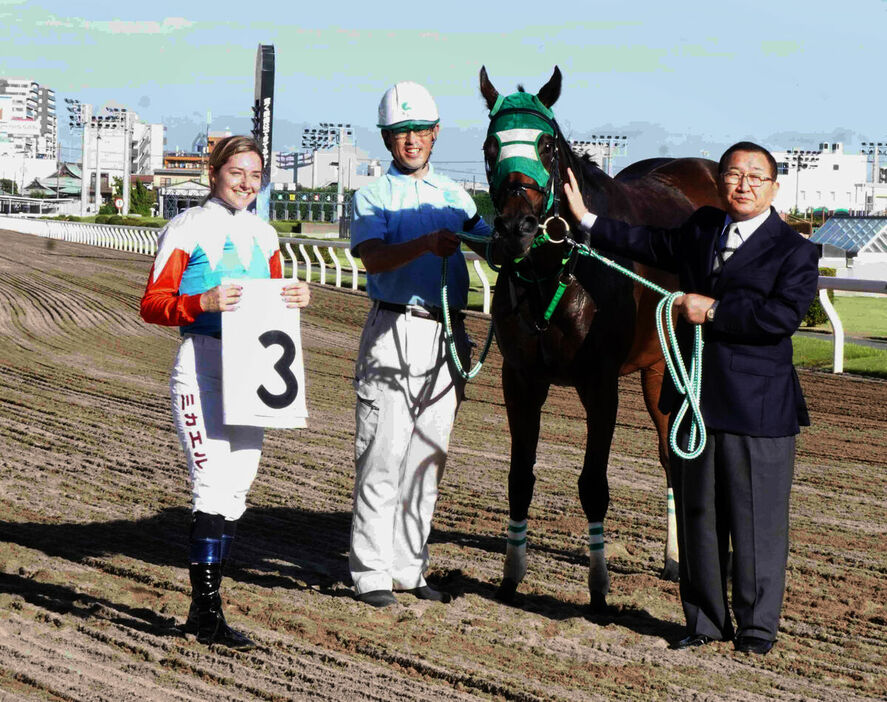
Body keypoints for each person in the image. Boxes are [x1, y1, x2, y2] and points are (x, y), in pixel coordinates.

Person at [563, 142, 819, 654]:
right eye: (733, 174)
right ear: (721, 180)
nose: (742, 184)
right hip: (695, 397)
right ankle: (703, 621)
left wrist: (713, 312)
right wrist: (587, 218)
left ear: (772, 187)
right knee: (699, 515)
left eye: (754, 176)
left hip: (758, 408)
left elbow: (780, 319)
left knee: (756, 523)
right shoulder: (702, 228)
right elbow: (646, 241)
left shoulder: (794, 250)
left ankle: (756, 629)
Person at [140, 135, 310, 649]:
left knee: (236, 491)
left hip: (254, 371)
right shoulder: (187, 226)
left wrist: (297, 297)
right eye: (237, 172)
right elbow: (153, 303)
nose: (246, 183)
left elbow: (275, 307)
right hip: (202, 368)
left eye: (255, 175)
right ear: (214, 172)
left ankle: (205, 611)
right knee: (211, 485)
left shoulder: (266, 234)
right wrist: (201, 302)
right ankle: (206, 610)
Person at [348, 81, 492, 607]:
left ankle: (411, 569)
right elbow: (374, 260)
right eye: (400, 133)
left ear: (435, 135)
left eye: (419, 132)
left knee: (428, 458)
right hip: (393, 329)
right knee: (382, 453)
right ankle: (370, 574)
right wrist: (427, 244)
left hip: (447, 333)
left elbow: (494, 247)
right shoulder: (370, 196)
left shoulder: (457, 196)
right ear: (388, 139)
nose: (411, 141)